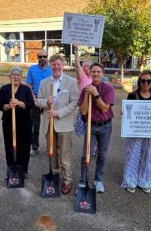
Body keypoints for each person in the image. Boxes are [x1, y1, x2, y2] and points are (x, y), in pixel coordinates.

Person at [37, 54, 79, 195]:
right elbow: (39, 100)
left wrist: (59, 112)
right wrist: (46, 103)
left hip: (64, 124)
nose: (56, 67)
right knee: (52, 153)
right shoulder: (44, 82)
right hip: (49, 124)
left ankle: (67, 180)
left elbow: (74, 103)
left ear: (63, 65)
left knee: (65, 154)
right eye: (53, 64)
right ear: (50, 66)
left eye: (58, 64)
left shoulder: (71, 82)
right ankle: (54, 176)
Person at [78, 63, 115, 193]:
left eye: (99, 72)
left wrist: (96, 94)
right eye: (93, 72)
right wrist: (88, 95)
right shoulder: (85, 90)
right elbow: (83, 111)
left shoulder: (109, 88)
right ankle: (83, 181)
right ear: (90, 73)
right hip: (91, 126)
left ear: (103, 74)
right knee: (86, 154)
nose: (96, 74)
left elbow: (105, 108)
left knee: (102, 155)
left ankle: (98, 180)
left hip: (105, 126)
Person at [121, 70, 151, 194]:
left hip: (150, 132)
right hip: (134, 131)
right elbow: (128, 112)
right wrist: (124, 113)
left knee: (148, 156)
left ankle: (145, 181)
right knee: (133, 155)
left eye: (149, 81)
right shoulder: (132, 95)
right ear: (139, 82)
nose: (145, 83)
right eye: (143, 81)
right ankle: (131, 180)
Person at [0, 67, 35, 178]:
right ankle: (11, 169)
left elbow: (31, 104)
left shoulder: (26, 89)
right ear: (9, 77)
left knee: (24, 147)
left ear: (21, 77)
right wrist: (8, 106)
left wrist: (19, 103)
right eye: (13, 74)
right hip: (9, 123)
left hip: (24, 123)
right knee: (9, 146)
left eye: (18, 74)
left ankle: (23, 170)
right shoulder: (4, 89)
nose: (15, 77)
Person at [25, 50, 52, 156]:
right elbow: (28, 85)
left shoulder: (51, 69)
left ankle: (50, 146)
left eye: (44, 56)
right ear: (37, 57)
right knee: (34, 125)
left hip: (48, 101)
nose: (42, 59)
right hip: (35, 100)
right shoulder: (32, 69)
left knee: (49, 125)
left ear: (47, 57)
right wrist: (35, 100)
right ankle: (35, 147)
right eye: (40, 57)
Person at [73, 44, 93, 137]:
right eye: (84, 66)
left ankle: (94, 148)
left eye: (88, 66)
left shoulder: (94, 77)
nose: (86, 68)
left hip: (94, 104)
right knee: (85, 128)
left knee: (93, 128)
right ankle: (88, 148)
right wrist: (76, 50)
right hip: (84, 104)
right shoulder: (82, 76)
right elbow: (77, 65)